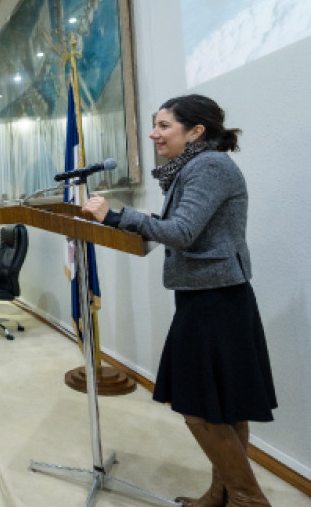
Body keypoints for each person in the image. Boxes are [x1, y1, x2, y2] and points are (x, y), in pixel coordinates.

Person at [82, 95, 276, 507]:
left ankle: (249, 499)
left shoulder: (209, 165)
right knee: (223, 407)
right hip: (209, 296)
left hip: (216, 301)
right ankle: (221, 492)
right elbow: (185, 227)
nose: (154, 133)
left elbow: (184, 231)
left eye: (164, 125)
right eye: (154, 125)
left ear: (196, 132)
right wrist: (141, 220)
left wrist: (116, 216)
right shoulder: (196, 166)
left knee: (199, 408)